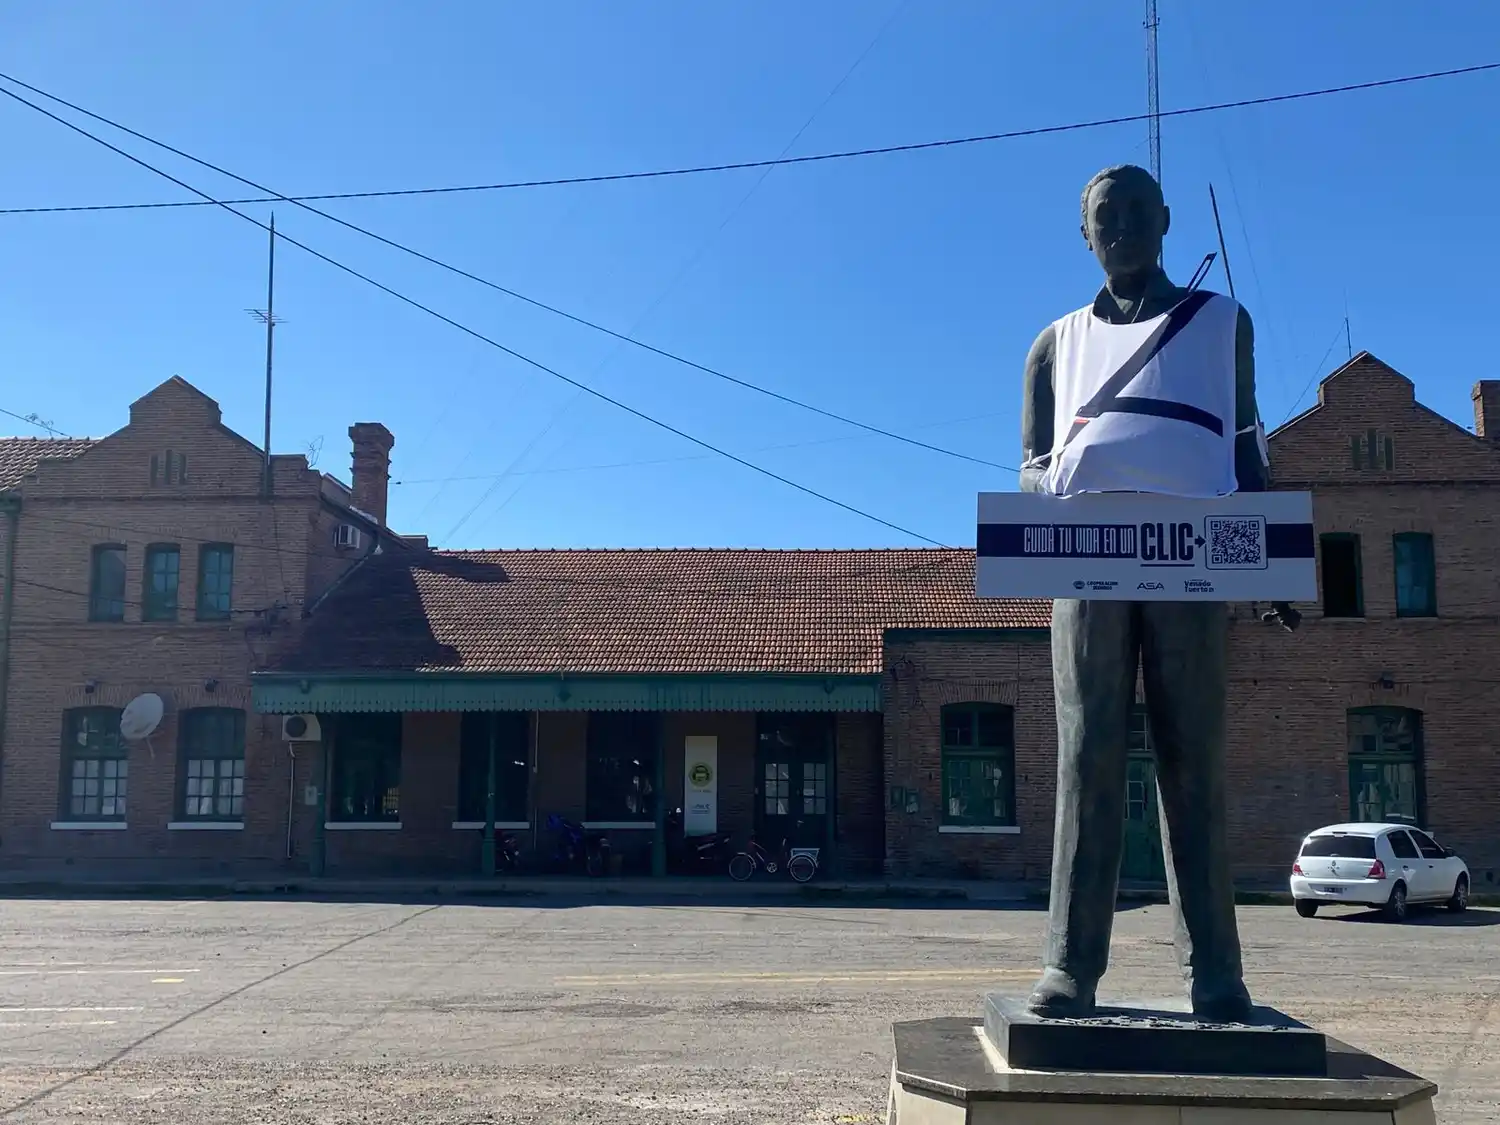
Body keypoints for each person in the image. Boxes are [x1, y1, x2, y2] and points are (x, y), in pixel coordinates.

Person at [1018, 163, 1278, 1021]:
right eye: (1105, 215)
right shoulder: (1051, 345)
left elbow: (1246, 450)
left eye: (1137, 212)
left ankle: (1216, 973)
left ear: (1166, 221)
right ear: (1083, 233)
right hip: (1088, 568)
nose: (1122, 226)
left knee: (1191, 757)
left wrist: (1274, 561)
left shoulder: (1221, 323)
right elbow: (1030, 472)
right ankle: (1068, 964)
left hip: (1190, 559)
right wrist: (1032, 550)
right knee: (1087, 754)